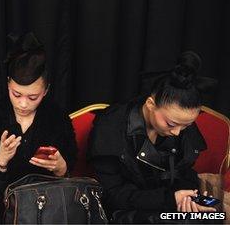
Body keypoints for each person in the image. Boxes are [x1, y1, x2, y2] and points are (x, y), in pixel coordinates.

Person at [87, 51, 218, 223]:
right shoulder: (111, 127)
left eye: (186, 125)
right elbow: (113, 195)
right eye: (171, 124)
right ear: (150, 104)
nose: (178, 132)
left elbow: (184, 172)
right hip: (124, 212)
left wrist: (189, 196)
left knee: (214, 215)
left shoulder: (180, 127)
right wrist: (170, 199)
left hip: (168, 207)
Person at [0, 32, 78, 223]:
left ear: (45, 91)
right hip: (2, 213)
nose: (23, 104)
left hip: (49, 210)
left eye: (32, 97)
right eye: (16, 94)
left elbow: (67, 190)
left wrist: (62, 169)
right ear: (8, 85)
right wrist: (0, 162)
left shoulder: (57, 119)